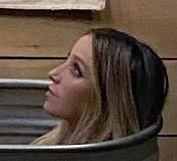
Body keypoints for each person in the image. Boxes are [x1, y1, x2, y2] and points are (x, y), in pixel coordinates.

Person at [33, 28, 168, 145]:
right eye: (67, 60)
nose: (53, 73)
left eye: (76, 70)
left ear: (108, 102)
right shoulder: (46, 146)